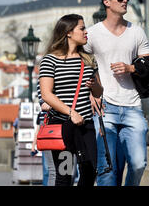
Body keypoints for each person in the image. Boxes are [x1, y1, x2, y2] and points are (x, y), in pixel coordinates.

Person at [84, 0, 149, 186]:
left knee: (139, 163)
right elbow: (82, 64)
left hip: (132, 106)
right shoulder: (92, 34)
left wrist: (131, 68)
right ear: (107, 2)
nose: (125, 1)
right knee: (106, 169)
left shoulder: (136, 31)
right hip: (105, 108)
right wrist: (92, 90)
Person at [39, 14, 103, 186]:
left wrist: (94, 87)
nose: (86, 32)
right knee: (65, 175)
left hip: (86, 125)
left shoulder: (88, 59)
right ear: (68, 32)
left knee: (90, 171)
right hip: (62, 124)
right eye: (81, 28)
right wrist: (71, 112)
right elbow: (46, 94)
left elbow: (99, 91)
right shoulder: (50, 60)